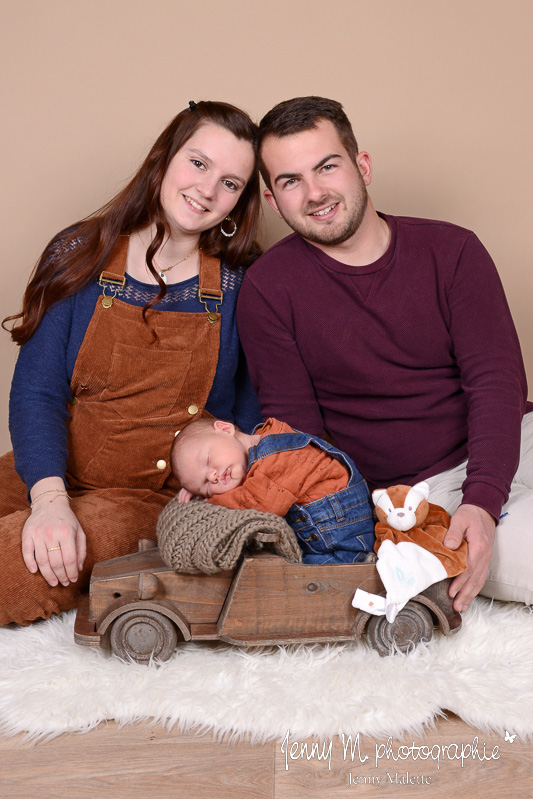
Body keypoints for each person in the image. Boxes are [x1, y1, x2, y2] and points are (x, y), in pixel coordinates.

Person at [236, 95, 533, 613]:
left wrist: (484, 499)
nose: (315, 194)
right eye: (290, 181)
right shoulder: (267, 289)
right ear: (271, 199)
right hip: (415, 497)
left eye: (327, 167)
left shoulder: (454, 251)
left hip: (512, 445)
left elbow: (497, 383)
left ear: (362, 166)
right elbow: (302, 437)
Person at [0, 100, 262, 626]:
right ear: (163, 159)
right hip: (51, 466)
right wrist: (48, 499)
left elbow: (256, 413)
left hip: (143, 497)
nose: (208, 190)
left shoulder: (241, 284)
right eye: (199, 163)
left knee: (13, 568)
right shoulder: (82, 249)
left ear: (240, 201)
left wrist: (223, 495)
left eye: (231, 183)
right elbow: (37, 392)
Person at [171, 416, 375, 563]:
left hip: (344, 548)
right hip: (319, 543)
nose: (212, 476)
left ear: (225, 429)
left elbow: (256, 505)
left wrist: (207, 503)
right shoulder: (259, 448)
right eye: (205, 485)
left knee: (290, 589)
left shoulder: (275, 457)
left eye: (208, 460)